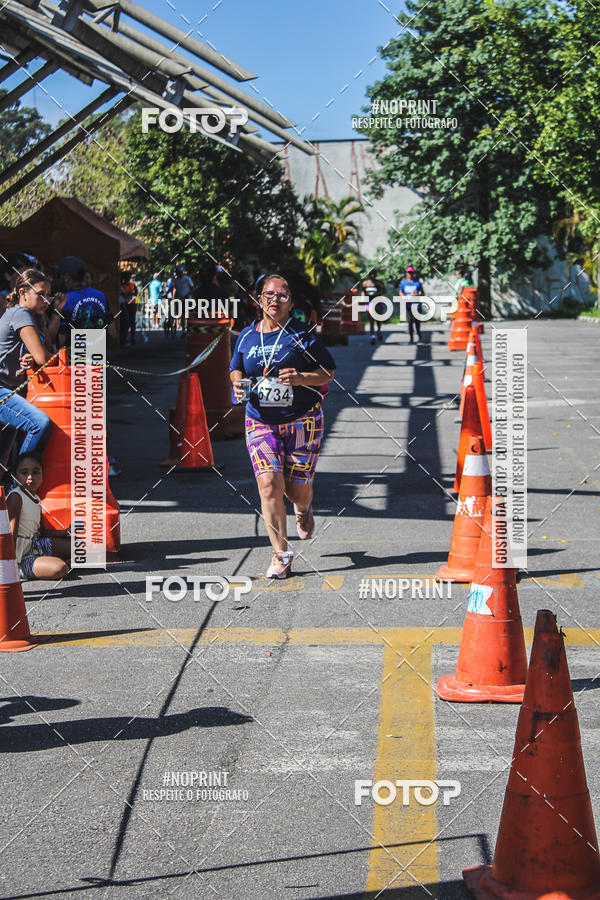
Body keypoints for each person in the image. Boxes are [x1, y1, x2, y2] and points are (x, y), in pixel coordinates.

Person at [230, 273, 335, 579]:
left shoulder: (303, 335)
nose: (275, 300)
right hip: (260, 421)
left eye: (282, 296)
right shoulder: (247, 337)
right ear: (258, 298)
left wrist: (300, 378)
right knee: (269, 485)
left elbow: (327, 372)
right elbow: (236, 368)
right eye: (269, 295)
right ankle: (281, 554)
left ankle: (304, 509)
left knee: (296, 490)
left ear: (291, 302)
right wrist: (239, 385)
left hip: (303, 420)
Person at [0, 268, 66, 455]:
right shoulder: (21, 314)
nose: (46, 300)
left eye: (48, 295)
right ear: (22, 293)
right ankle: (25, 479)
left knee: (2, 457)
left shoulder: (34, 316)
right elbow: (44, 357)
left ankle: (16, 480)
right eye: (40, 295)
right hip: (3, 392)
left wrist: (55, 312)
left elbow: (48, 345)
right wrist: (40, 358)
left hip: (12, 392)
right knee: (39, 424)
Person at [7, 452, 70, 580]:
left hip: (35, 545)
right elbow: (10, 535)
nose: (30, 477)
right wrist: (7, 567)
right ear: (16, 476)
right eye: (24, 473)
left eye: (35, 472)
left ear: (43, 476)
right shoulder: (16, 497)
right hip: (20, 557)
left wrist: (65, 532)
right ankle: (21, 570)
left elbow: (41, 532)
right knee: (60, 569)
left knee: (79, 546)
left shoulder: (36, 499)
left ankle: (48, 562)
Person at [57, 257, 110, 345]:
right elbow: (113, 333)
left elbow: (61, 339)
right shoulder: (101, 295)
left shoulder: (64, 300)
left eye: (60, 276)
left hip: (73, 355)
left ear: (66, 277)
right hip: (98, 352)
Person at [399, 266, 425, 343]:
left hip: (417, 305)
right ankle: (411, 338)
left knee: (417, 322)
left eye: (412, 272)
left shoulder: (417, 282)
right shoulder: (404, 283)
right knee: (410, 321)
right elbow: (401, 291)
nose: (410, 274)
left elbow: (423, 293)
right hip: (408, 305)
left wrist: (417, 295)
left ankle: (419, 335)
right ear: (407, 273)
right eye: (409, 272)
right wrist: (403, 297)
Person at [362, 270, 387, 345]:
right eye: (371, 274)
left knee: (378, 319)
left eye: (374, 274)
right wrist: (363, 298)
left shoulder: (379, 282)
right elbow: (363, 291)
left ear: (376, 275)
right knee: (371, 320)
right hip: (369, 303)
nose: (372, 276)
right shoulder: (365, 283)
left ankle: (379, 331)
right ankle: (372, 337)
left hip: (378, 302)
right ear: (369, 275)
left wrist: (379, 291)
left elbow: (384, 291)